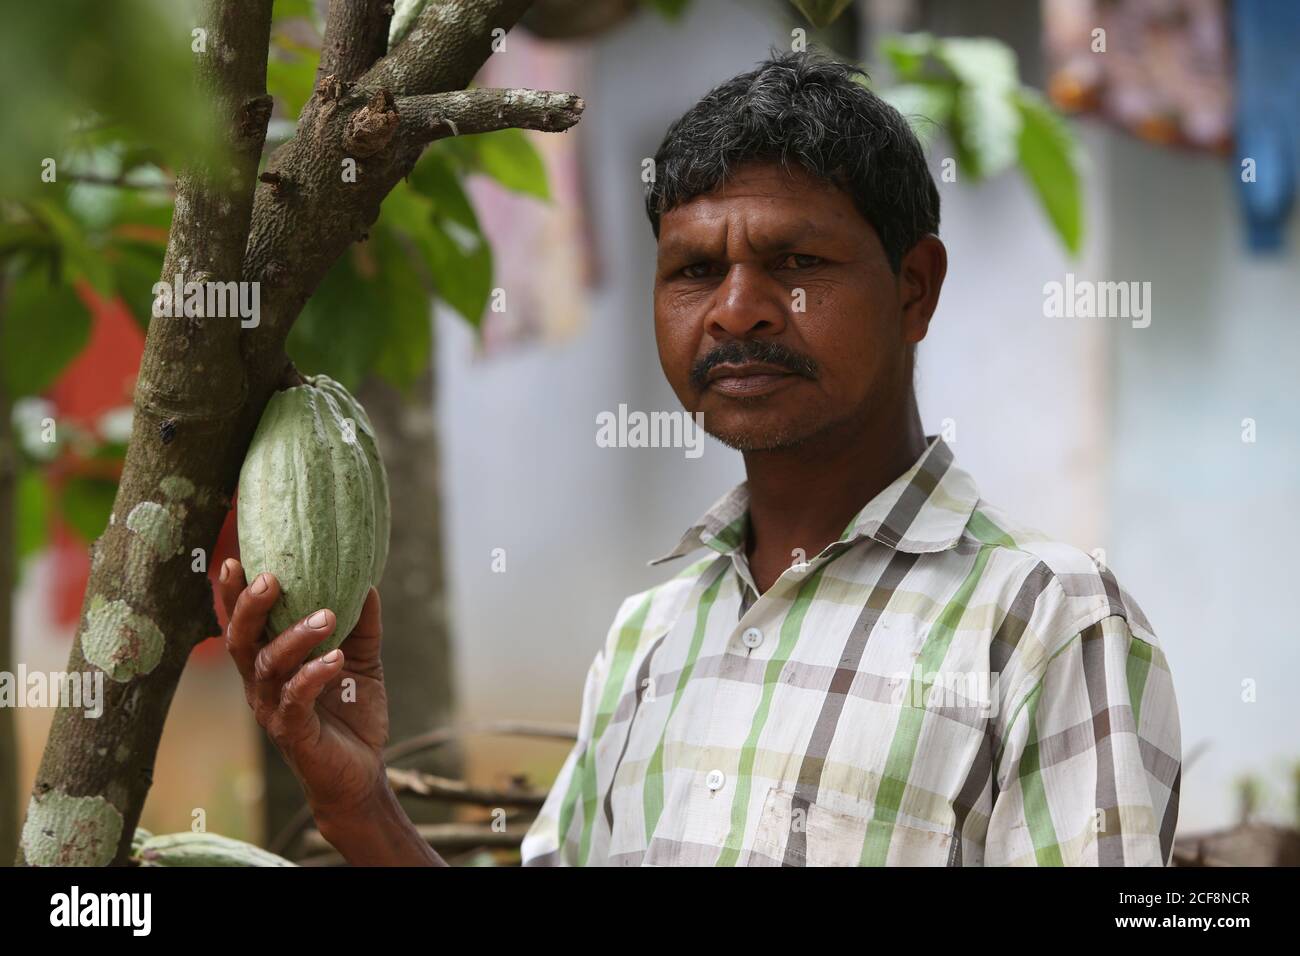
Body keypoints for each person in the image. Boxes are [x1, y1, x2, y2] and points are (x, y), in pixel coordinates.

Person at [219, 50, 1180, 866]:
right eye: (694, 271)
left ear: (914, 290)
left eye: (796, 264)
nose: (736, 309)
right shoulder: (650, 639)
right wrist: (358, 802)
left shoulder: (1047, 623)